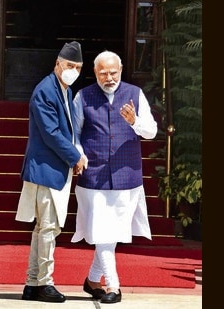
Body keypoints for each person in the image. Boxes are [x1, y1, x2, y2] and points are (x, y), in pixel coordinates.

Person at [71, 50, 158, 304]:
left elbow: (151, 131)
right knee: (102, 233)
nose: (108, 77)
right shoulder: (83, 96)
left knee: (111, 233)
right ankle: (113, 287)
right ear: (95, 72)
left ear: (120, 70)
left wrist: (135, 122)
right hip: (94, 176)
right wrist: (78, 154)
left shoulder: (134, 94)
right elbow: (74, 133)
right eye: (103, 73)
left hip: (126, 176)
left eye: (113, 72)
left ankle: (91, 281)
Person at [15, 41, 88, 303]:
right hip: (45, 167)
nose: (73, 70)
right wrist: (75, 156)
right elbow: (51, 134)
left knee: (44, 228)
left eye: (78, 67)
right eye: (70, 65)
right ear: (57, 63)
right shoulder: (46, 90)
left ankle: (33, 283)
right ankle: (44, 283)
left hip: (54, 167)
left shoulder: (65, 90)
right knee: (48, 227)